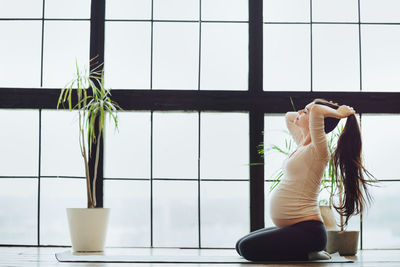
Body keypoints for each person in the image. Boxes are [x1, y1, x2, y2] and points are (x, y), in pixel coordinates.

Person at [235, 98, 375, 261]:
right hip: (295, 229)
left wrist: (337, 114)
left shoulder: (319, 151)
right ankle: (306, 252)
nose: (300, 112)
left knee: (247, 248)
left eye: (305, 111)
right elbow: (289, 116)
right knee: (240, 245)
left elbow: (316, 109)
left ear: (317, 121)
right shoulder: (302, 143)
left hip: (309, 232)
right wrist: (312, 114)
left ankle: (308, 254)